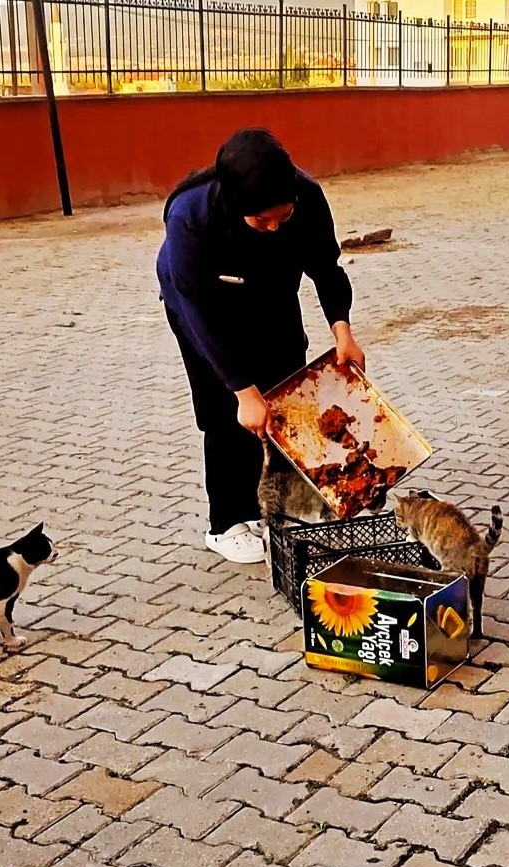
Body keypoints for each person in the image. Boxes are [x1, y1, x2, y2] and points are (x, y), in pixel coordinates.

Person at [157, 129, 367, 564]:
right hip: (203, 303)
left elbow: (327, 270)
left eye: (282, 218)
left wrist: (343, 332)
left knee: (287, 386)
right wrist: (243, 391)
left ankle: (279, 505)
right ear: (236, 207)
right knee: (225, 409)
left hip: (271, 294)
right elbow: (197, 310)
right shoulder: (191, 215)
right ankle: (227, 522)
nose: (273, 229)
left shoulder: (307, 197)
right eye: (261, 221)